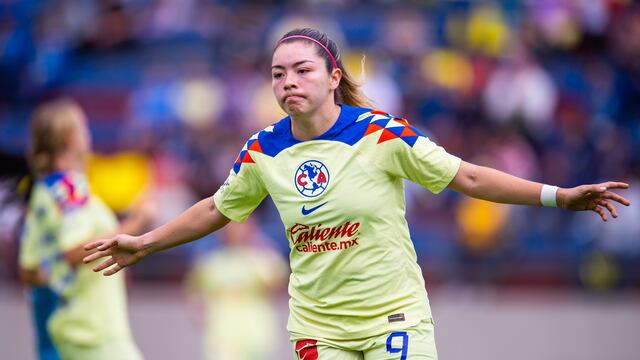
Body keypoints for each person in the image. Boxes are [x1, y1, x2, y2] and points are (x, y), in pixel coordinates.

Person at [84, 28, 631, 360]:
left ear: (332, 77)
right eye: (278, 75)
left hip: (394, 316)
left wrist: (559, 196)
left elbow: (467, 177)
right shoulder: (262, 151)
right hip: (319, 327)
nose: (288, 82)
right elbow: (215, 209)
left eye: (301, 70)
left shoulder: (381, 133)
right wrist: (145, 243)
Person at [19, 98, 152, 360]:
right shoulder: (71, 188)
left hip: (68, 326)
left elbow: (29, 270)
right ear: (70, 138)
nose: (87, 134)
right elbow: (73, 251)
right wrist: (137, 222)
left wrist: (70, 279)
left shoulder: (42, 192)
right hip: (94, 330)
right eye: (83, 126)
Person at [185, 219, 287, 360]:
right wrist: (197, 310)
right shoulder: (211, 261)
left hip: (257, 328)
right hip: (222, 331)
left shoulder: (261, 257)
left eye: (240, 226)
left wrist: (259, 246)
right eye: (229, 227)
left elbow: (277, 283)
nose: (234, 231)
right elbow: (194, 288)